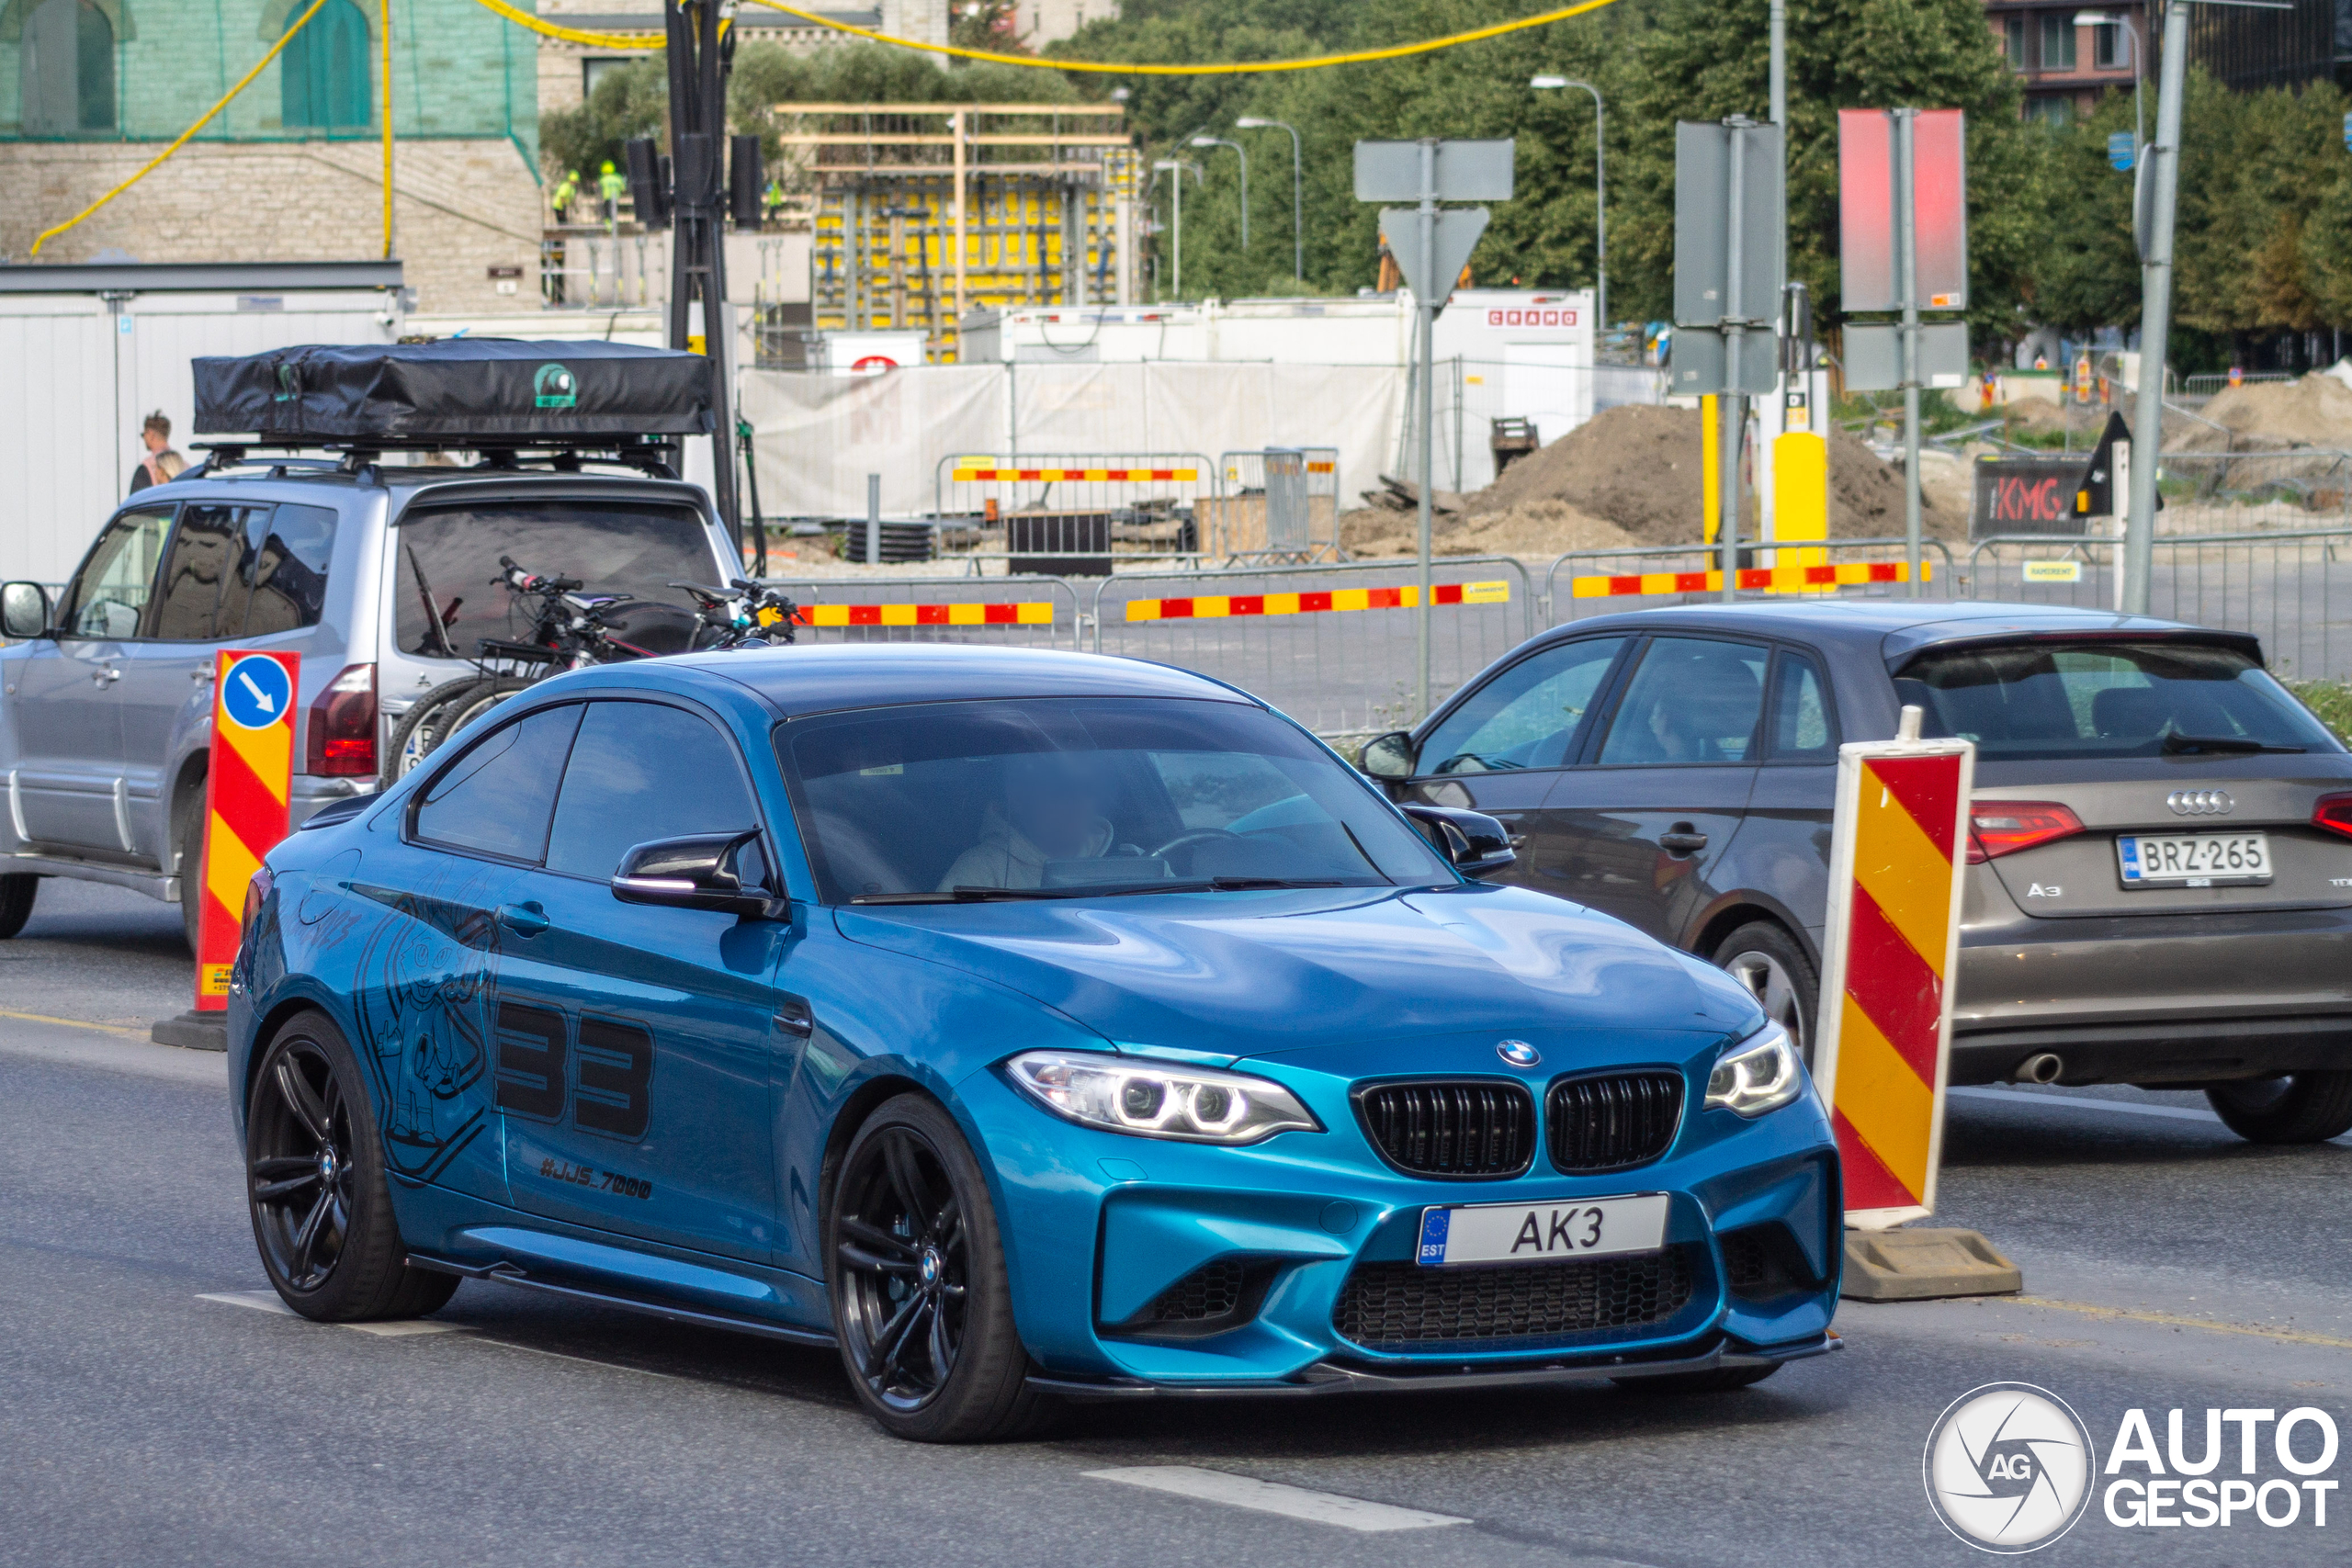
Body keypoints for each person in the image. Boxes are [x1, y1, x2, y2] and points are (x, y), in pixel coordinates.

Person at [937, 752, 1116, 890]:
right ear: (1017, 799)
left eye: (1087, 790)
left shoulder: (1128, 860)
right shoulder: (980, 871)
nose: (1078, 803)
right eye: (1062, 790)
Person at [127, 411, 183, 493]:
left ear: (151, 434)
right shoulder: (183, 464)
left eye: (143, 435)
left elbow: (136, 500)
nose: (144, 438)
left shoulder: (147, 468)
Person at [598, 159, 626, 231]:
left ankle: (609, 228)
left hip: (607, 198)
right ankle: (614, 227)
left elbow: (599, 189)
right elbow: (623, 189)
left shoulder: (603, 179)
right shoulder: (618, 178)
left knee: (607, 214)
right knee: (614, 213)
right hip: (616, 198)